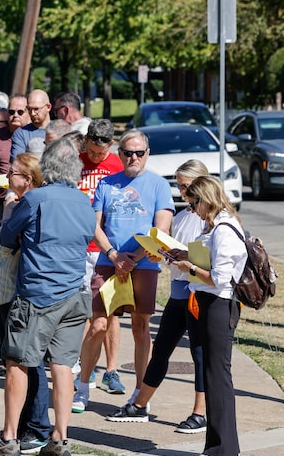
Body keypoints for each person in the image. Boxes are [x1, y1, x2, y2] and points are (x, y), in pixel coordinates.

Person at [0, 138, 95, 456]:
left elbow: (9, 234)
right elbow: (88, 238)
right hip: (74, 295)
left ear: (47, 167)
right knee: (63, 367)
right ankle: (60, 437)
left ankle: (9, 437)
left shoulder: (37, 199)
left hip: (38, 294)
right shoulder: (85, 202)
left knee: (17, 362)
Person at [73, 129, 173, 413]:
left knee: (141, 326)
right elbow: (94, 225)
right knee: (99, 325)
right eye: (128, 152)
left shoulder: (158, 185)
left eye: (139, 152)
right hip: (108, 262)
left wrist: (134, 257)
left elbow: (162, 228)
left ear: (147, 153)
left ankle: (140, 392)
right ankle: (81, 388)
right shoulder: (107, 184)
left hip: (144, 264)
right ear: (120, 154)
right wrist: (114, 255)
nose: (133, 157)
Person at [107, 160, 208, 430]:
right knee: (161, 349)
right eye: (179, 186)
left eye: (186, 187)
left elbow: (206, 262)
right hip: (178, 292)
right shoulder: (184, 215)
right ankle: (140, 404)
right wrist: (160, 253)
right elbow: (174, 249)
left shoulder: (209, 219)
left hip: (199, 294)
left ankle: (200, 413)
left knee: (200, 353)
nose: (182, 192)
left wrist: (182, 258)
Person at [166, 176, 247, 456]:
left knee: (217, 374)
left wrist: (189, 267)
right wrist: (184, 255)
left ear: (207, 199)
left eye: (195, 202)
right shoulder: (214, 225)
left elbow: (219, 278)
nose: (193, 208)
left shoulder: (224, 228)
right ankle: (217, 446)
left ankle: (222, 448)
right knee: (214, 373)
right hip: (207, 302)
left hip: (218, 304)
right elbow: (209, 261)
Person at [0, 152, 52, 455]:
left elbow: (17, 241)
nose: (7, 176)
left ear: (27, 179)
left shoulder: (29, 204)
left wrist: (10, 210)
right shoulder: (18, 202)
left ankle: (36, 428)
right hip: (6, 291)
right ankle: (25, 423)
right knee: (15, 361)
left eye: (13, 173)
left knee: (27, 360)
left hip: (20, 291)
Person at [73, 119, 124, 399]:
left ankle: (111, 370)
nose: (94, 157)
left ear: (110, 145)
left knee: (110, 311)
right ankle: (86, 365)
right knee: (84, 310)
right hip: (79, 247)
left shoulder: (118, 165)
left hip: (107, 247)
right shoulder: (75, 163)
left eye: (99, 153)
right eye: (90, 151)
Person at [0, 95, 30, 229]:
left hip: (28, 202)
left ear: (28, 113)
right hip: (0, 202)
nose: (15, 115)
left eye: (20, 112)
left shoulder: (37, 135)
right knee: (0, 246)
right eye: (11, 112)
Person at [11, 89, 51, 160]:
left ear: (48, 107)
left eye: (36, 109)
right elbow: (18, 163)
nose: (32, 113)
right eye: (29, 109)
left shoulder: (60, 129)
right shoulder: (21, 134)